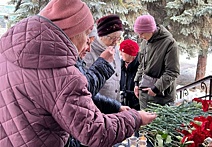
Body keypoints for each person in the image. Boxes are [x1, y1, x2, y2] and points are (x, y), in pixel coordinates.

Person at [0, 1, 157, 147]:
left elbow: (70, 96)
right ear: (73, 31)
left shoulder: (7, 51)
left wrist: (115, 107)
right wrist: (136, 118)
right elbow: (94, 130)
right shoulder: (62, 71)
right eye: (87, 34)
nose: (88, 44)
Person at [133, 14, 180, 109]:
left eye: (142, 33)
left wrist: (156, 89)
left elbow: (172, 72)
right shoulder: (145, 41)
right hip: (144, 95)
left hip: (161, 98)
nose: (140, 36)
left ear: (151, 29)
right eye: (138, 33)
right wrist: (136, 83)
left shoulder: (170, 43)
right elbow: (142, 65)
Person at [84, 14, 123, 102]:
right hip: (98, 103)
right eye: (112, 38)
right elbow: (87, 83)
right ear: (101, 36)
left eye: (118, 38)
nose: (115, 42)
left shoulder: (114, 47)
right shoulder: (89, 51)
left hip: (115, 102)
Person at [119, 39, 140, 110]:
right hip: (122, 106)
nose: (120, 54)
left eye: (123, 51)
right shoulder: (119, 65)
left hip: (137, 107)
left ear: (130, 54)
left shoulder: (140, 67)